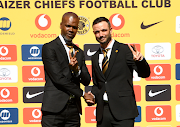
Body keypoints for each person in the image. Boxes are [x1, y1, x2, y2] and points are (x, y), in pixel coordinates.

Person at [87, 17, 150, 127]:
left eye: (104, 30)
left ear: (111, 30)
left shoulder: (125, 50)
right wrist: (93, 96)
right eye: (97, 32)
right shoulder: (95, 56)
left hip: (123, 111)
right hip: (103, 112)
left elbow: (145, 74)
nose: (101, 34)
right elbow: (98, 84)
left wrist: (140, 60)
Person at [41, 12, 92, 127]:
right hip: (53, 110)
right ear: (61, 25)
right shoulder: (49, 48)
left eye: (74, 27)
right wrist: (83, 94)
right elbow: (58, 78)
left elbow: (87, 80)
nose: (71, 30)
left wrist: (76, 70)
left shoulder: (79, 52)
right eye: (68, 26)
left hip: (73, 110)